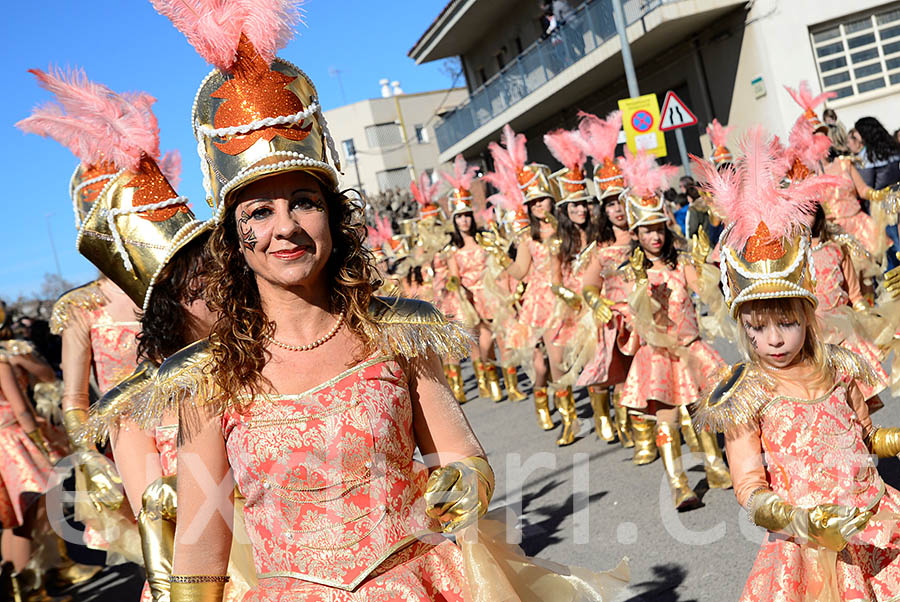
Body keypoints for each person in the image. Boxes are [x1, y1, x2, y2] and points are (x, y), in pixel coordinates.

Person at [694, 126, 900, 601]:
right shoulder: (745, 392)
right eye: (757, 328)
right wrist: (797, 518)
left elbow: (865, 436)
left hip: (874, 519)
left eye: (785, 323)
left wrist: (894, 440)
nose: (773, 339)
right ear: (743, 328)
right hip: (810, 543)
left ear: (807, 315)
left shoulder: (841, 367)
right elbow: (748, 484)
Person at [610, 149, 730, 508]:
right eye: (646, 230)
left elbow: (707, 291)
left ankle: (714, 463)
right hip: (658, 354)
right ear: (637, 233)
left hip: (690, 347)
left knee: (701, 406)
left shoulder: (680, 263)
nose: (654, 237)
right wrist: (639, 298)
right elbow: (625, 316)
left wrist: (713, 263)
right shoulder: (631, 273)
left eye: (658, 228)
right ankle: (678, 482)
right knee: (666, 417)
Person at [481, 125, 563, 430]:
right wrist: (502, 259)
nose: (541, 206)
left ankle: (568, 415)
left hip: (564, 298)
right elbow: (519, 271)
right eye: (535, 202)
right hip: (537, 303)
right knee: (541, 364)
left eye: (544, 199)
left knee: (560, 360)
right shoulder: (528, 238)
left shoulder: (564, 231)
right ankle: (542, 399)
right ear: (528, 207)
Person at [576, 110, 636, 447]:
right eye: (610, 204)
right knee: (623, 377)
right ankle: (629, 429)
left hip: (649, 318)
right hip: (616, 320)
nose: (617, 209)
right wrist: (596, 302)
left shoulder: (646, 237)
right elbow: (589, 284)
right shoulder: (602, 248)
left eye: (621, 202)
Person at [443, 155, 505, 401]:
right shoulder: (452, 251)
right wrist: (454, 285)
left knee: (490, 339)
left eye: (467, 215)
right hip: (468, 298)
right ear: (454, 222)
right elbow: (454, 277)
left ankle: (493, 376)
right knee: (477, 343)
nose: (464, 220)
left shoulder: (484, 241)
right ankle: (486, 382)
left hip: (489, 293)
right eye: (459, 217)